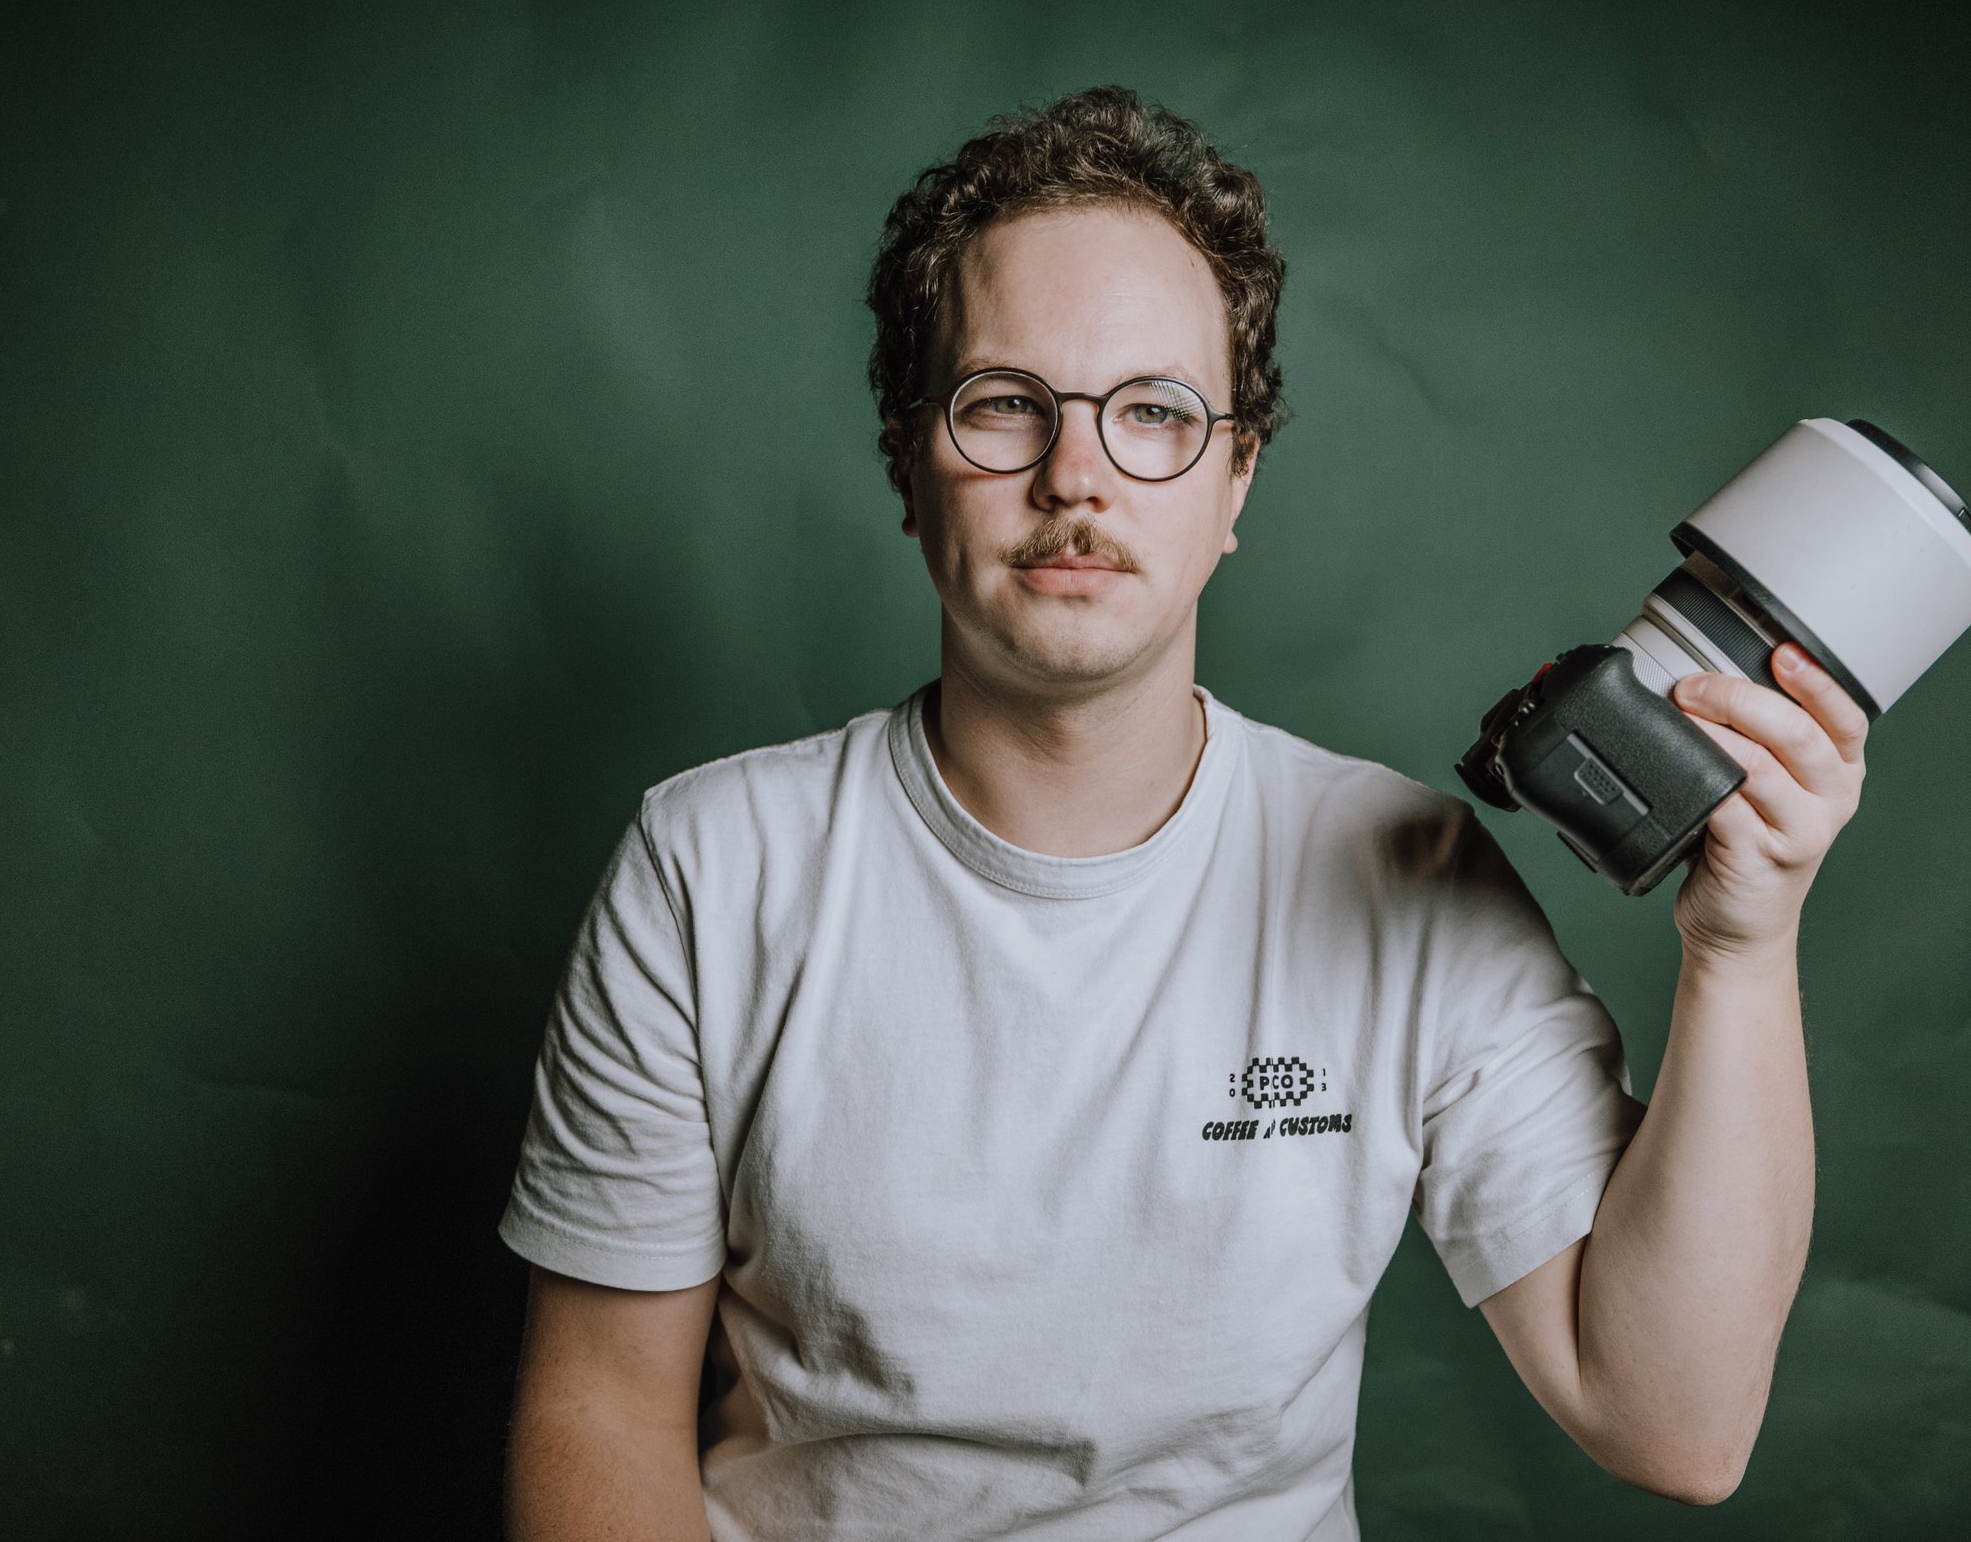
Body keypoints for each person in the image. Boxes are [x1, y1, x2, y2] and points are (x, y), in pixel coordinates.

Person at [497, 85, 1868, 1541]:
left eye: (1153, 412)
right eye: (1005, 404)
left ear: (1234, 480)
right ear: (909, 466)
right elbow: (601, 1409)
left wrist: (1743, 946)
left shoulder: (1407, 876)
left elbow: (1672, 1423)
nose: (1075, 476)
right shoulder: (712, 869)